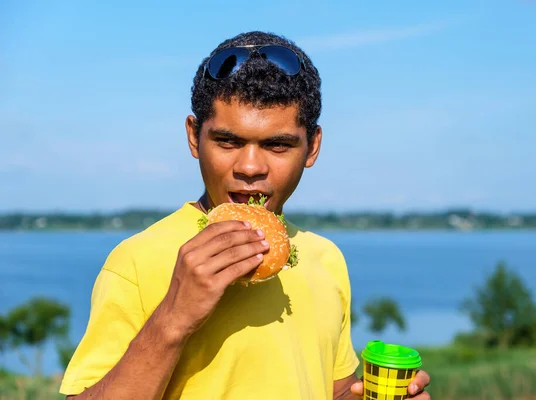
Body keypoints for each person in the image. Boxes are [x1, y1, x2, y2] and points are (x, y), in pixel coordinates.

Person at [59, 31, 431, 399]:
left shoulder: (325, 258)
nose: (250, 167)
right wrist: (173, 318)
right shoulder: (136, 262)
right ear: (194, 137)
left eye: (277, 145)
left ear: (312, 147)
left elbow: (327, 390)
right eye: (228, 141)